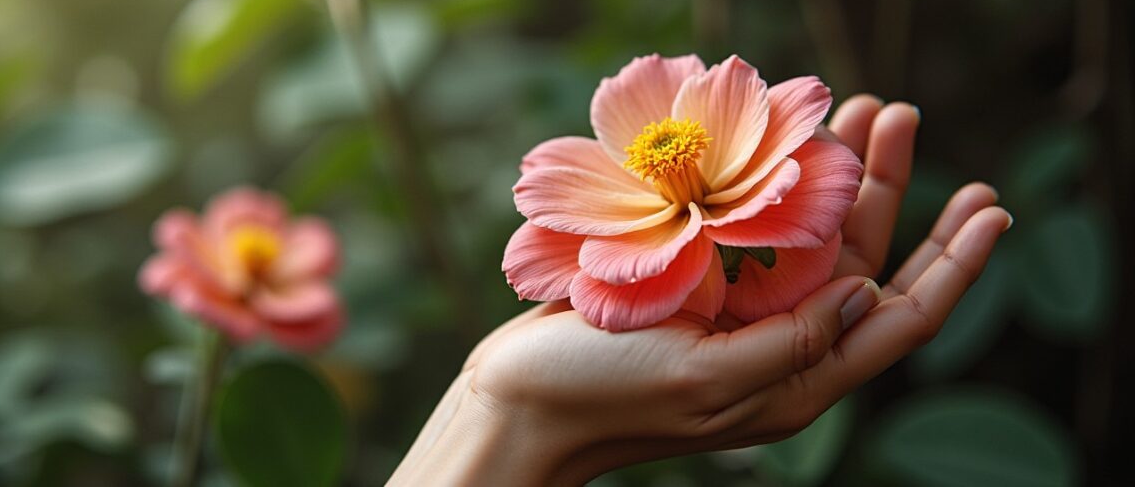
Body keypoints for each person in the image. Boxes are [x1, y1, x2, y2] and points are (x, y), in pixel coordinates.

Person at [388, 96, 1013, 486]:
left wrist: (500, 410)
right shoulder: (601, 212)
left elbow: (804, 159)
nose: (662, 149)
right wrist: (511, 407)